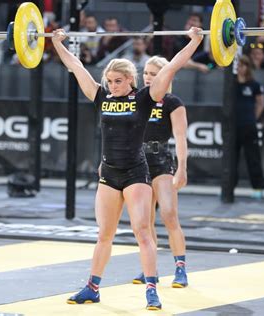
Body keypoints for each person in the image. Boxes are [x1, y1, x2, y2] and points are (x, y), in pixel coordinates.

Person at [51, 26, 203, 310]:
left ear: (131, 80)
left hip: (136, 174)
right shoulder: (102, 98)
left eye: (118, 81)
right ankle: (92, 287)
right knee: (104, 235)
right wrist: (59, 44)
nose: (112, 86)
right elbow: (75, 66)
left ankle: (151, 289)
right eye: (109, 81)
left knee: (143, 232)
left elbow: (171, 68)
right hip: (108, 175)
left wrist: (194, 41)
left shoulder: (145, 98)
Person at [131, 56, 189, 288]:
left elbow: (181, 137)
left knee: (169, 214)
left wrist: (182, 168)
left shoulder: (172, 102)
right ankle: (150, 269)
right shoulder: (135, 99)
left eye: (154, 74)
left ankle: (180, 269)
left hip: (162, 161)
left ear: (165, 76)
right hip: (138, 162)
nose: (148, 77)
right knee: (145, 221)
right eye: (146, 72)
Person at [234, 55, 264, 199]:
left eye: (242, 65)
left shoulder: (254, 85)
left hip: (248, 126)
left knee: (253, 158)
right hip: (233, 127)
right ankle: (228, 188)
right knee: (231, 159)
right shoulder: (231, 84)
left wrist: (253, 118)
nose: (239, 68)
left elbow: (261, 103)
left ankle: (258, 188)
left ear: (247, 67)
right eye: (238, 66)